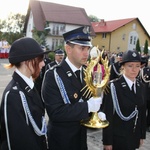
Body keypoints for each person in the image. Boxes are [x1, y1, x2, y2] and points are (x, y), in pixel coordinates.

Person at [41, 26, 103, 150]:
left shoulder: (86, 73)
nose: (87, 53)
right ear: (68, 49)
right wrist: (88, 107)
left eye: (88, 48)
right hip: (61, 141)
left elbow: (87, 100)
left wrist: (95, 114)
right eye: (82, 48)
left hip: (81, 140)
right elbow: (56, 112)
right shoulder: (53, 75)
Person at [0, 37, 51, 150]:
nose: (43, 64)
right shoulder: (13, 95)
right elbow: (17, 142)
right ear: (27, 61)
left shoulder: (30, 86)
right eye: (40, 59)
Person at [102, 50, 147, 150]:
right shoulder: (113, 87)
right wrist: (107, 141)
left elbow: (142, 112)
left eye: (137, 66)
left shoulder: (141, 86)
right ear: (123, 66)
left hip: (133, 137)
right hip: (117, 139)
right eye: (130, 66)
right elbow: (107, 115)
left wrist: (141, 135)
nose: (134, 69)